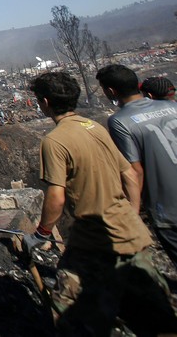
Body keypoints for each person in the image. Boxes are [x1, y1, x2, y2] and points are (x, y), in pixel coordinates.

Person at [25, 71, 176, 335]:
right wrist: (131, 214)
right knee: (155, 312)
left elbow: (56, 196)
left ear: (45, 102)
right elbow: (129, 174)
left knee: (67, 311)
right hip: (129, 230)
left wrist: (41, 233)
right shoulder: (95, 126)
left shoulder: (54, 141)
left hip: (94, 235)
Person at [96, 64, 177, 266]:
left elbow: (135, 170)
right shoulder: (172, 106)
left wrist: (133, 213)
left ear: (111, 91)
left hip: (167, 210)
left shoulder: (120, 121)